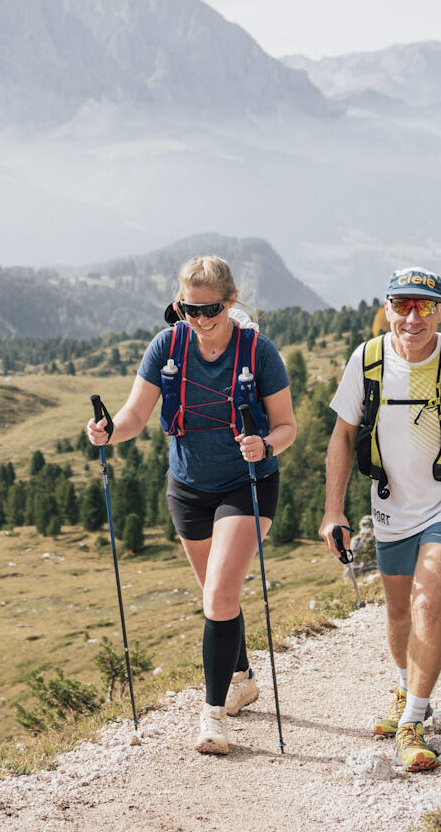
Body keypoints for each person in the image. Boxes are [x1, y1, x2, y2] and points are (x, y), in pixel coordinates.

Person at [87, 255, 295, 755]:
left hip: (246, 482)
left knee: (221, 596)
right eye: (190, 310)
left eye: (213, 310)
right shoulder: (167, 345)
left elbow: (287, 426)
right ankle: (242, 675)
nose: (201, 321)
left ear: (232, 301)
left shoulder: (258, 351)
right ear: (179, 305)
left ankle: (213, 717)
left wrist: (265, 446)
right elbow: (137, 414)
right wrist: (109, 431)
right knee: (215, 598)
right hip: (187, 487)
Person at [321, 266, 441, 772]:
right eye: (401, 305)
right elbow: (341, 436)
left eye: (424, 306)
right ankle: (404, 690)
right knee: (399, 611)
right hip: (390, 509)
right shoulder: (366, 360)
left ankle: (414, 721)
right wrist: (333, 510)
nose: (412, 316)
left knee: (427, 605)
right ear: (386, 309)